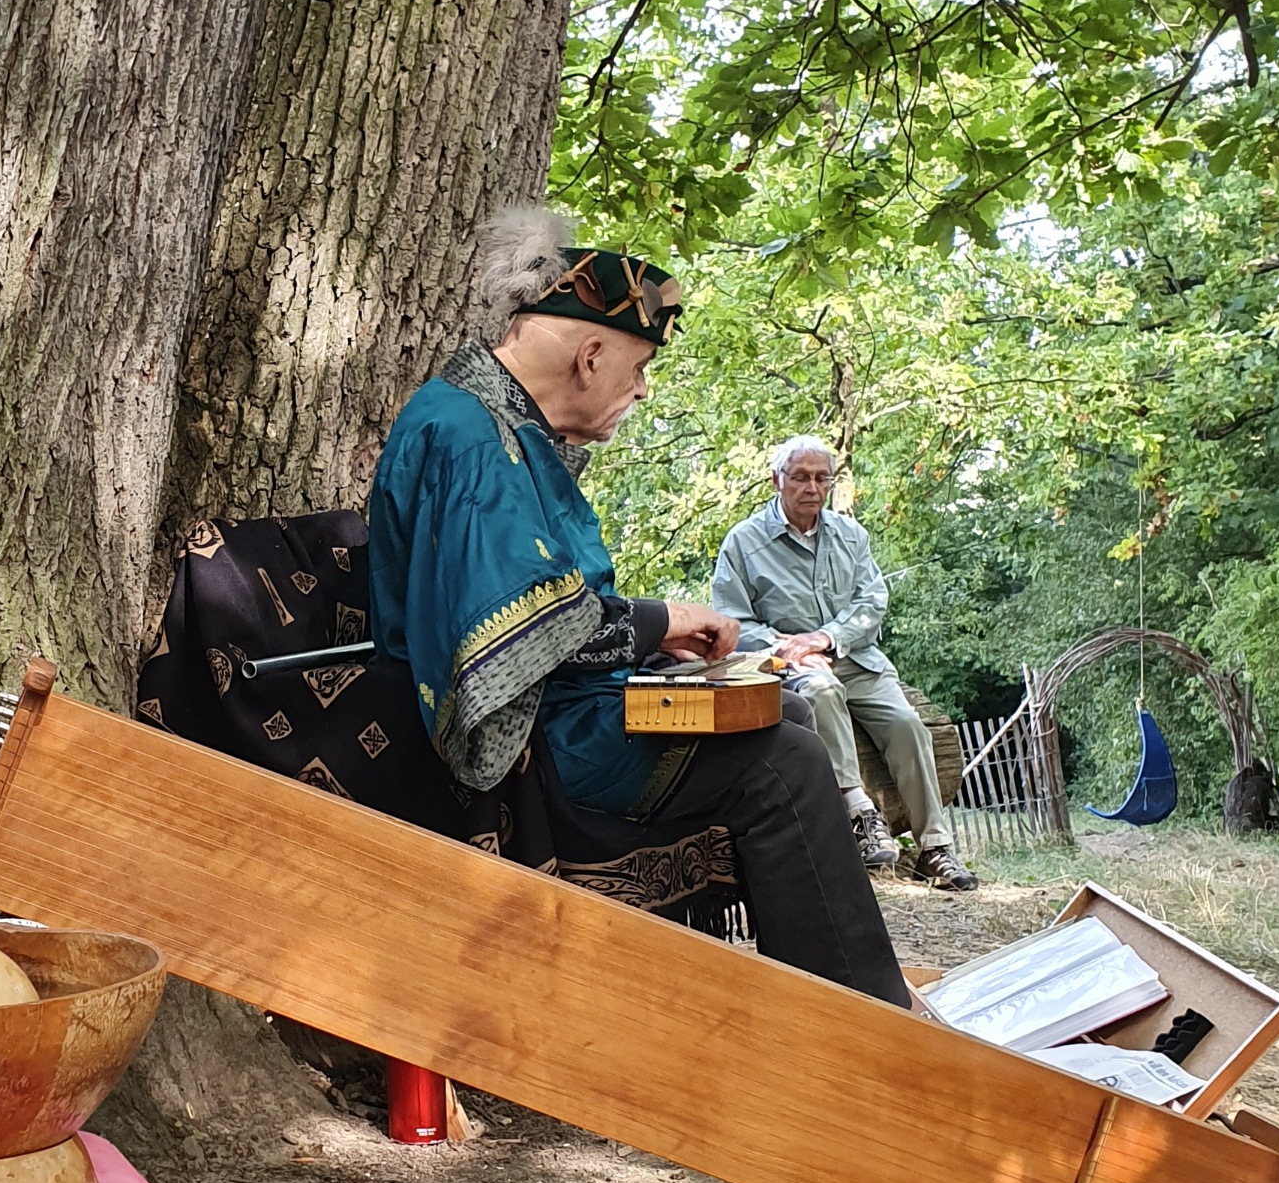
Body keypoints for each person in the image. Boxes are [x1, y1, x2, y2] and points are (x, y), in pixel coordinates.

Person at [366, 211, 910, 1005]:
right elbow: (516, 639)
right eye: (641, 366)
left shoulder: (494, 424)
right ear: (590, 354)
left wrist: (656, 634)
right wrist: (659, 624)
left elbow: (541, 599)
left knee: (786, 715)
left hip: (557, 712)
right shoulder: (472, 439)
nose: (643, 389)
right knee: (785, 765)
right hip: (530, 742)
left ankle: (794, 1001)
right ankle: (864, 1025)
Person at [712, 437, 977, 893]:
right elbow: (731, 620)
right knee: (821, 691)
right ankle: (861, 814)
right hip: (788, 663)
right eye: (800, 477)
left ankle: (935, 847)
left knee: (909, 724)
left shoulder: (851, 536)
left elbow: (872, 601)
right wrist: (791, 648)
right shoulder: (744, 541)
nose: (812, 487)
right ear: (777, 481)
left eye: (821, 477)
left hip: (856, 657)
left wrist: (828, 638)